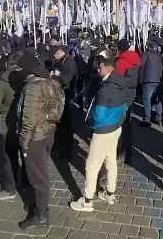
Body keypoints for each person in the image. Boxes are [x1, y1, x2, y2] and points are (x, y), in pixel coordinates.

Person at [70, 56, 131, 211]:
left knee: (92, 165)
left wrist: (94, 126)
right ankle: (110, 193)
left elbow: (99, 115)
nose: (98, 70)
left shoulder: (106, 89)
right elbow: (125, 106)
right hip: (116, 128)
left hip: (103, 131)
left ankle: (87, 200)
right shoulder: (122, 82)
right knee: (110, 162)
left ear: (109, 68)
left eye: (100, 67)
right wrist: (118, 121)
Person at [17, 54, 65, 230]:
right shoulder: (52, 82)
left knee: (38, 176)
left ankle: (41, 215)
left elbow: (28, 119)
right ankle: (40, 206)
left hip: (35, 137)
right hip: (48, 133)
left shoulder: (33, 87)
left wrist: (24, 143)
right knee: (40, 172)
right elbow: (59, 108)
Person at [0, 52, 24, 200]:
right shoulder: (27, 79)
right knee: (24, 155)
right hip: (24, 123)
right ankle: (25, 182)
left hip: (6, 123)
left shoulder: (2, 81)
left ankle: (9, 188)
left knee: (8, 158)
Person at [51, 45, 77, 159]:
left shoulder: (68, 63)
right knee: (61, 119)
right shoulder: (61, 61)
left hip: (66, 93)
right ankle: (60, 141)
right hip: (61, 93)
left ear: (60, 52)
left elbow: (65, 80)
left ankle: (67, 148)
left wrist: (54, 76)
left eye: (55, 54)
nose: (54, 56)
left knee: (66, 121)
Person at [139, 40, 163, 126]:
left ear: (148, 46)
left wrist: (140, 79)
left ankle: (147, 119)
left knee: (147, 100)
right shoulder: (159, 56)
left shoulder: (146, 54)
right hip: (158, 80)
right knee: (157, 100)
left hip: (148, 80)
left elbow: (140, 65)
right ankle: (159, 119)